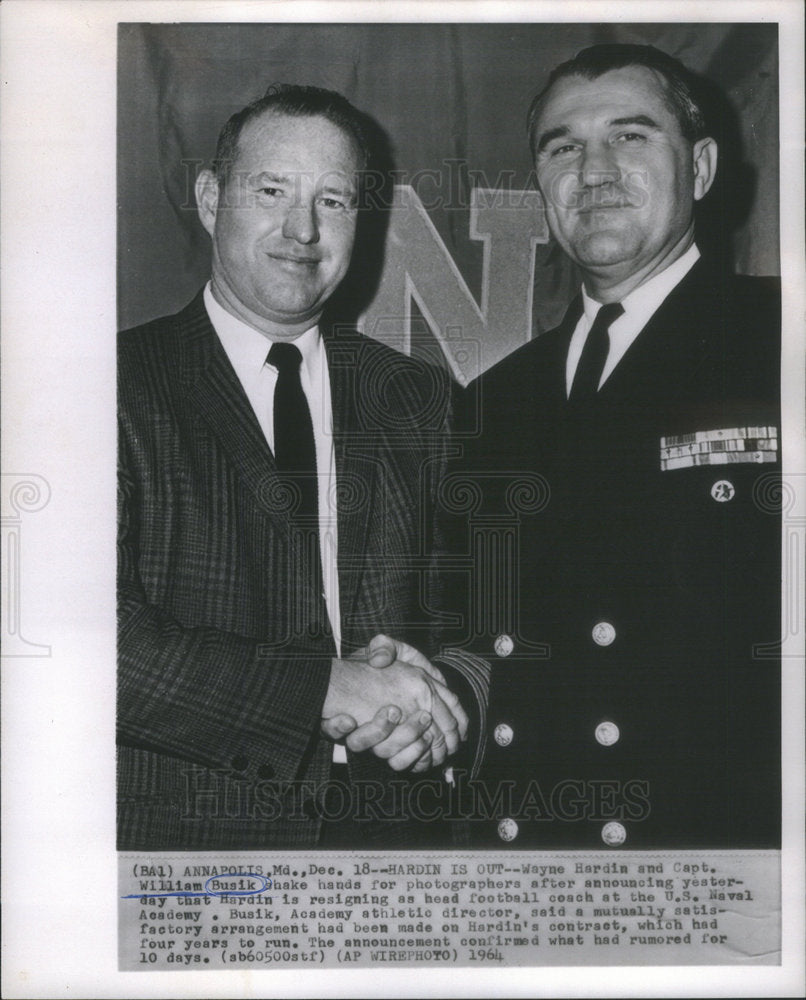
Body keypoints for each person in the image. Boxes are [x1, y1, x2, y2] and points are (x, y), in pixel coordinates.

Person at [117, 84, 485, 850]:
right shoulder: (107, 383)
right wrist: (325, 685)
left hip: (392, 845)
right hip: (185, 849)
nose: (303, 229)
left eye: (335, 200)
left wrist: (441, 701)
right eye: (272, 189)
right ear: (212, 197)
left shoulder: (417, 397)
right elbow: (91, 646)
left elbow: (473, 606)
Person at [456, 44, 781, 848]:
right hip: (527, 857)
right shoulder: (496, 399)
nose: (592, 171)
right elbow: (476, 633)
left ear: (701, 168)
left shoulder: (781, 343)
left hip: (724, 861)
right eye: (562, 147)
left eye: (630, 137)